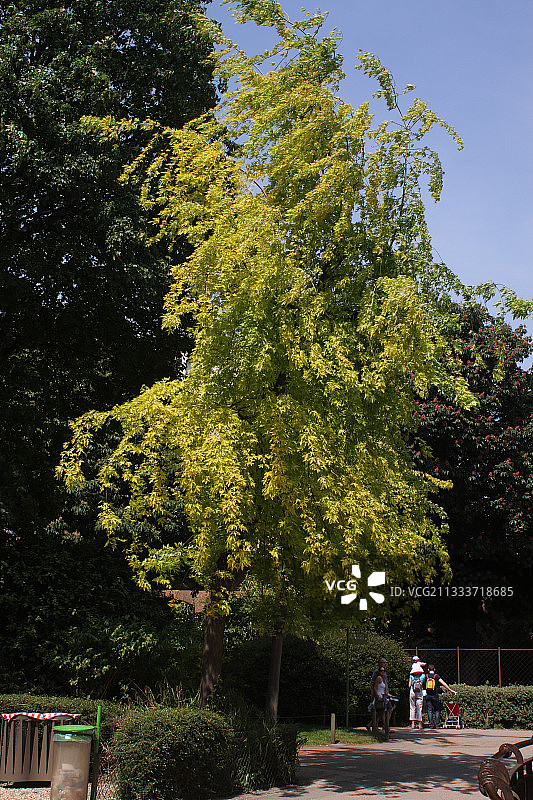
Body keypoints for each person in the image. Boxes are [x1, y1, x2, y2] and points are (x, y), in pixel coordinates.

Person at [425, 663, 457, 728]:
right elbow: (443, 683)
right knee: (437, 709)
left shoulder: (426, 676)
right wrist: (451, 690)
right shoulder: (436, 676)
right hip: (435, 695)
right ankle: (437, 724)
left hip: (428, 695)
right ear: (434, 669)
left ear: (428, 669)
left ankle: (431, 724)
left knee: (429, 710)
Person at [409, 656, 426, 730]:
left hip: (412, 691)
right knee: (419, 707)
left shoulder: (411, 675)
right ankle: (419, 724)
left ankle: (412, 724)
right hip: (419, 691)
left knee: (412, 707)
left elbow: (409, 685)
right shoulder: (423, 675)